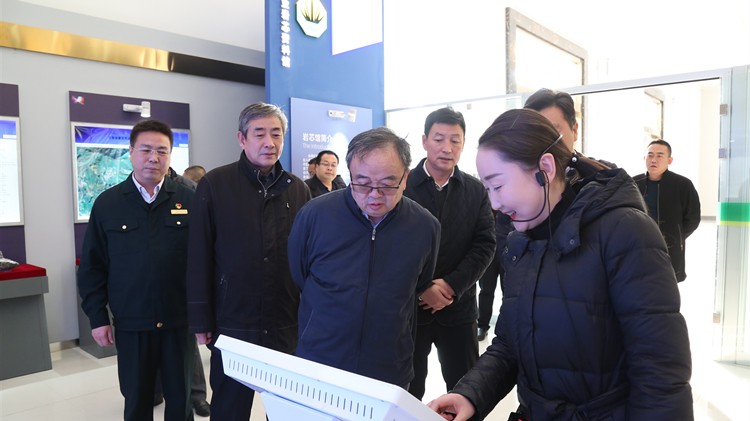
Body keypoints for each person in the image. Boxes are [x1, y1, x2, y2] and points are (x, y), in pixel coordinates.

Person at [428, 108, 693, 420]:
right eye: (487, 189)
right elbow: (511, 344)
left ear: (545, 168)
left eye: (497, 186)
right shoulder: (521, 241)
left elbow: (660, 372)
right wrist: (470, 394)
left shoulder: (625, 231)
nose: (494, 203)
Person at [288, 127, 440, 388]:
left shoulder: (425, 226)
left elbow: (420, 282)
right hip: (320, 361)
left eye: (387, 184)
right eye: (362, 183)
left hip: (389, 367)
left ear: (405, 177)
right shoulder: (315, 215)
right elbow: (299, 275)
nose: (374, 195)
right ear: (350, 175)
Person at [186, 103, 310, 420]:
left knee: (285, 410)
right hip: (233, 320)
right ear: (242, 139)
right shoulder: (215, 184)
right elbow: (199, 254)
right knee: (230, 407)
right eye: (260, 134)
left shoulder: (297, 189)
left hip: (285, 321)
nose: (269, 142)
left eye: (276, 134)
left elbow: (308, 258)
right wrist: (200, 319)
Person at [78, 119, 196, 421]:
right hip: (132, 323)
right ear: (131, 152)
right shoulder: (108, 204)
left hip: (178, 322)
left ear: (170, 155)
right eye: (146, 150)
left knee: (181, 402)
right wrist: (98, 317)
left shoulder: (190, 199)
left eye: (162, 151)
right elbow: (92, 266)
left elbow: (205, 261)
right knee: (137, 400)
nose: (153, 158)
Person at [403, 107, 496, 400]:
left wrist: (451, 286)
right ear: (424, 141)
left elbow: (485, 244)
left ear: (463, 144)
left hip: (459, 309)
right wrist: (422, 289)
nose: (447, 148)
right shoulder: (402, 186)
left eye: (455, 140)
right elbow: (391, 248)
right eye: (439, 139)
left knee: (465, 390)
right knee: (407, 392)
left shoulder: (475, 190)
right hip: (409, 311)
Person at [152, 166, 211, 418]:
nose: (153, 158)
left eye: (161, 151)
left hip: (182, 289)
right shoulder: (128, 193)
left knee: (187, 353)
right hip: (150, 290)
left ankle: (197, 396)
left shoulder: (187, 191)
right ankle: (155, 392)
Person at [634, 139, 701, 282]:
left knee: (667, 283)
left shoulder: (683, 185)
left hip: (670, 245)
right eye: (650, 155)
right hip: (639, 244)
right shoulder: (634, 183)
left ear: (669, 160)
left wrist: (676, 235)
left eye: (659, 155)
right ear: (644, 158)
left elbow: (693, 218)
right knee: (640, 282)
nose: (654, 160)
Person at [476, 212, 511, 341]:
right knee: (486, 291)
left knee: (508, 293)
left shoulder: (509, 204)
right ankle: (482, 325)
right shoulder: (485, 204)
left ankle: (506, 328)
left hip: (508, 252)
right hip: (488, 254)